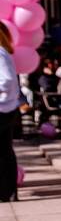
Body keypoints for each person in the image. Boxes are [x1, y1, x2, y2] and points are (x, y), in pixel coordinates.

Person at [0, 22, 18, 202]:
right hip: (8, 108)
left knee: (4, 152)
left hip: (3, 109)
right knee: (5, 151)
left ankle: (6, 190)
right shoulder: (4, 53)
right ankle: (8, 190)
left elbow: (6, 80)